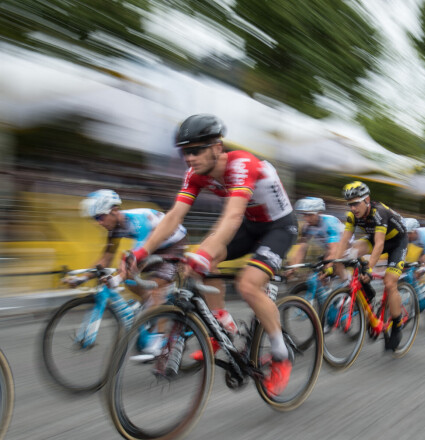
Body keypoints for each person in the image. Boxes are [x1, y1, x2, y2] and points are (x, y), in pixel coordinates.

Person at [122, 114, 297, 396]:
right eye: (184, 152)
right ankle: (223, 327)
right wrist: (140, 251)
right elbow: (172, 218)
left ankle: (281, 353)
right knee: (199, 262)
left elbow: (232, 214)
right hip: (248, 226)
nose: (189, 157)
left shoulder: (242, 164)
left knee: (247, 285)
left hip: (278, 226)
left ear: (217, 147)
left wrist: (205, 253)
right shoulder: (195, 174)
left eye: (196, 150)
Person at [70, 189, 188, 357]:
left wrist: (118, 277)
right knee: (128, 278)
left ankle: (159, 340)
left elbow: (136, 257)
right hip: (153, 247)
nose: (98, 223)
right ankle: (150, 306)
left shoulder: (137, 221)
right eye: (95, 219)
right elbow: (106, 258)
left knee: (155, 287)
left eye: (100, 217)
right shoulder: (114, 228)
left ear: (114, 211)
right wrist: (83, 277)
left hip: (173, 243)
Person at [335, 181, 408, 351]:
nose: (353, 208)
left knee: (390, 283)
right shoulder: (352, 216)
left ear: (367, 199)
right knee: (352, 252)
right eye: (350, 204)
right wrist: (334, 263)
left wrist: (369, 267)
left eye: (356, 203)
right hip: (375, 239)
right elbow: (344, 241)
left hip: (397, 242)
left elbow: (379, 245)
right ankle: (366, 289)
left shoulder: (379, 212)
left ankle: (397, 325)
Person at [286, 197, 344, 279]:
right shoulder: (307, 227)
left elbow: (334, 250)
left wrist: (328, 267)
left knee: (334, 267)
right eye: (305, 215)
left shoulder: (330, 223)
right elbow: (302, 249)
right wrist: (294, 268)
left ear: (319, 213)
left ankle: (347, 284)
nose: (307, 219)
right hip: (330, 248)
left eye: (310, 215)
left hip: (344, 247)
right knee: (320, 275)